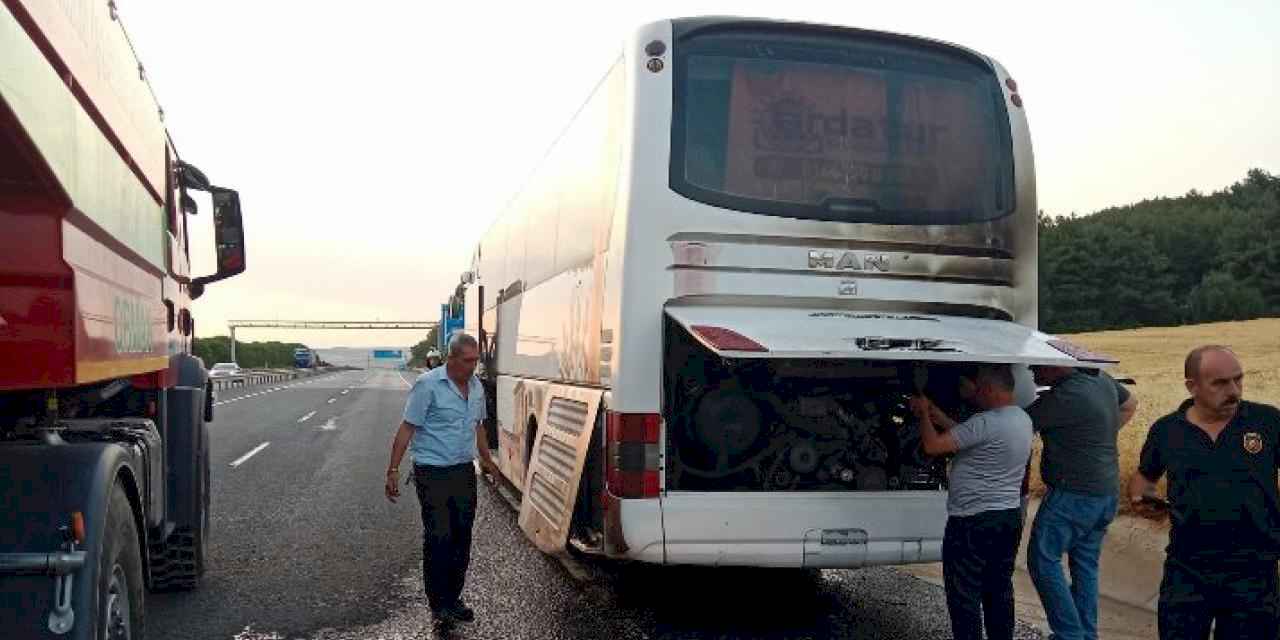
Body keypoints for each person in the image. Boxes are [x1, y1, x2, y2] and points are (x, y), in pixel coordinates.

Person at [1129, 345, 1280, 640]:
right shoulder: (1167, 431)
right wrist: (1142, 498)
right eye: (1220, 383)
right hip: (1188, 570)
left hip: (1255, 572)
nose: (1234, 390)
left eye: (1238, 379)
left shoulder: (1268, 422)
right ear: (1192, 386)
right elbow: (1143, 478)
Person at [910, 363, 1033, 640]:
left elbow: (932, 446)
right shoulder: (1021, 419)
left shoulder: (985, 422)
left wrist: (922, 417)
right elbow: (969, 436)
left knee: (963, 595)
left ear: (989, 389)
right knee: (998, 588)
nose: (974, 394)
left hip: (972, 521)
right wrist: (937, 415)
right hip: (1007, 518)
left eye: (978, 389)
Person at [385, 333, 498, 627]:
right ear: (452, 358)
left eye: (476, 361)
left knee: (462, 537)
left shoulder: (475, 387)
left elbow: (479, 428)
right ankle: (439, 604)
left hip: (463, 471)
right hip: (431, 472)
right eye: (468, 361)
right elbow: (407, 429)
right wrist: (393, 470)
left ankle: (453, 599)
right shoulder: (428, 386)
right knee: (439, 537)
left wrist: (488, 462)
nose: (473, 367)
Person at [1024, 366, 1138, 640]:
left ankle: (1069, 635)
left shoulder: (1066, 396)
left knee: (1042, 559)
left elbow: (1018, 423)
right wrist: (1100, 434)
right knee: (1085, 566)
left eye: (1036, 365)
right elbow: (1131, 403)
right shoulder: (1100, 377)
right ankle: (1086, 634)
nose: (1030, 370)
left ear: (1055, 365)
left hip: (1072, 495)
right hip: (1105, 494)